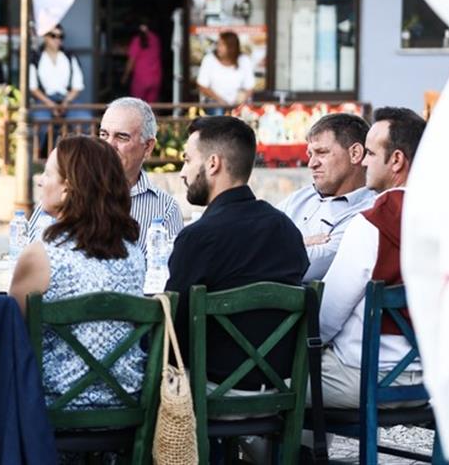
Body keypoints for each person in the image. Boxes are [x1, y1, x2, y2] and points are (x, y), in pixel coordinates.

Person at [165, 116, 308, 390]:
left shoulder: (198, 238)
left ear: (213, 164)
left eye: (187, 160)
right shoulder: (287, 229)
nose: (182, 172)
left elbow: (172, 335)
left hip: (211, 391)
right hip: (281, 389)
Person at [10, 136, 146, 409]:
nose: (40, 181)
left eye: (47, 173)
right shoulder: (134, 254)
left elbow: (12, 335)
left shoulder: (41, 256)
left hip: (55, 409)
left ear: (67, 188)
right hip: (127, 406)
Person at [315, 107, 427, 409]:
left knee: (276, 383)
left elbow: (325, 318)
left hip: (365, 377)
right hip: (434, 381)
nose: (363, 162)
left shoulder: (372, 224)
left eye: (371, 154)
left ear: (396, 160)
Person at [28, 97, 183, 251]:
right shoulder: (65, 190)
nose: (109, 144)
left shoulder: (165, 208)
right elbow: (29, 251)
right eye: (103, 135)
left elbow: (170, 265)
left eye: (121, 137)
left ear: (148, 147)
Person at [278, 112, 374, 282]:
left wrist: (277, 243)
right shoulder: (300, 197)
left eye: (321, 153)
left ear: (355, 154)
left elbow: (309, 266)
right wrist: (300, 242)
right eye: (310, 155)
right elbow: (249, 238)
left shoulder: (368, 211)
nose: (311, 164)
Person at [30, 24, 87, 124]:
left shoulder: (69, 57)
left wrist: (65, 103)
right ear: (45, 37)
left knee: (84, 119)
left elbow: (77, 86)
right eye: (53, 36)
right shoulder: (36, 58)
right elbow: (33, 87)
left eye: (61, 36)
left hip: (67, 99)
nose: (57, 39)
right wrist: (50, 104)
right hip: (44, 100)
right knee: (40, 121)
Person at [196, 30, 255, 107]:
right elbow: (202, 86)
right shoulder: (209, 59)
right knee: (218, 112)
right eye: (218, 44)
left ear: (232, 47)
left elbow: (249, 87)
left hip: (238, 104)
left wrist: (241, 101)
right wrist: (220, 101)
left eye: (222, 45)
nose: (218, 48)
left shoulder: (244, 60)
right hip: (214, 103)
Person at [122, 20, 163, 104]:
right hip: (155, 78)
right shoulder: (155, 39)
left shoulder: (136, 41)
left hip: (140, 79)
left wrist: (125, 76)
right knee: (151, 107)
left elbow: (131, 61)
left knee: (138, 106)